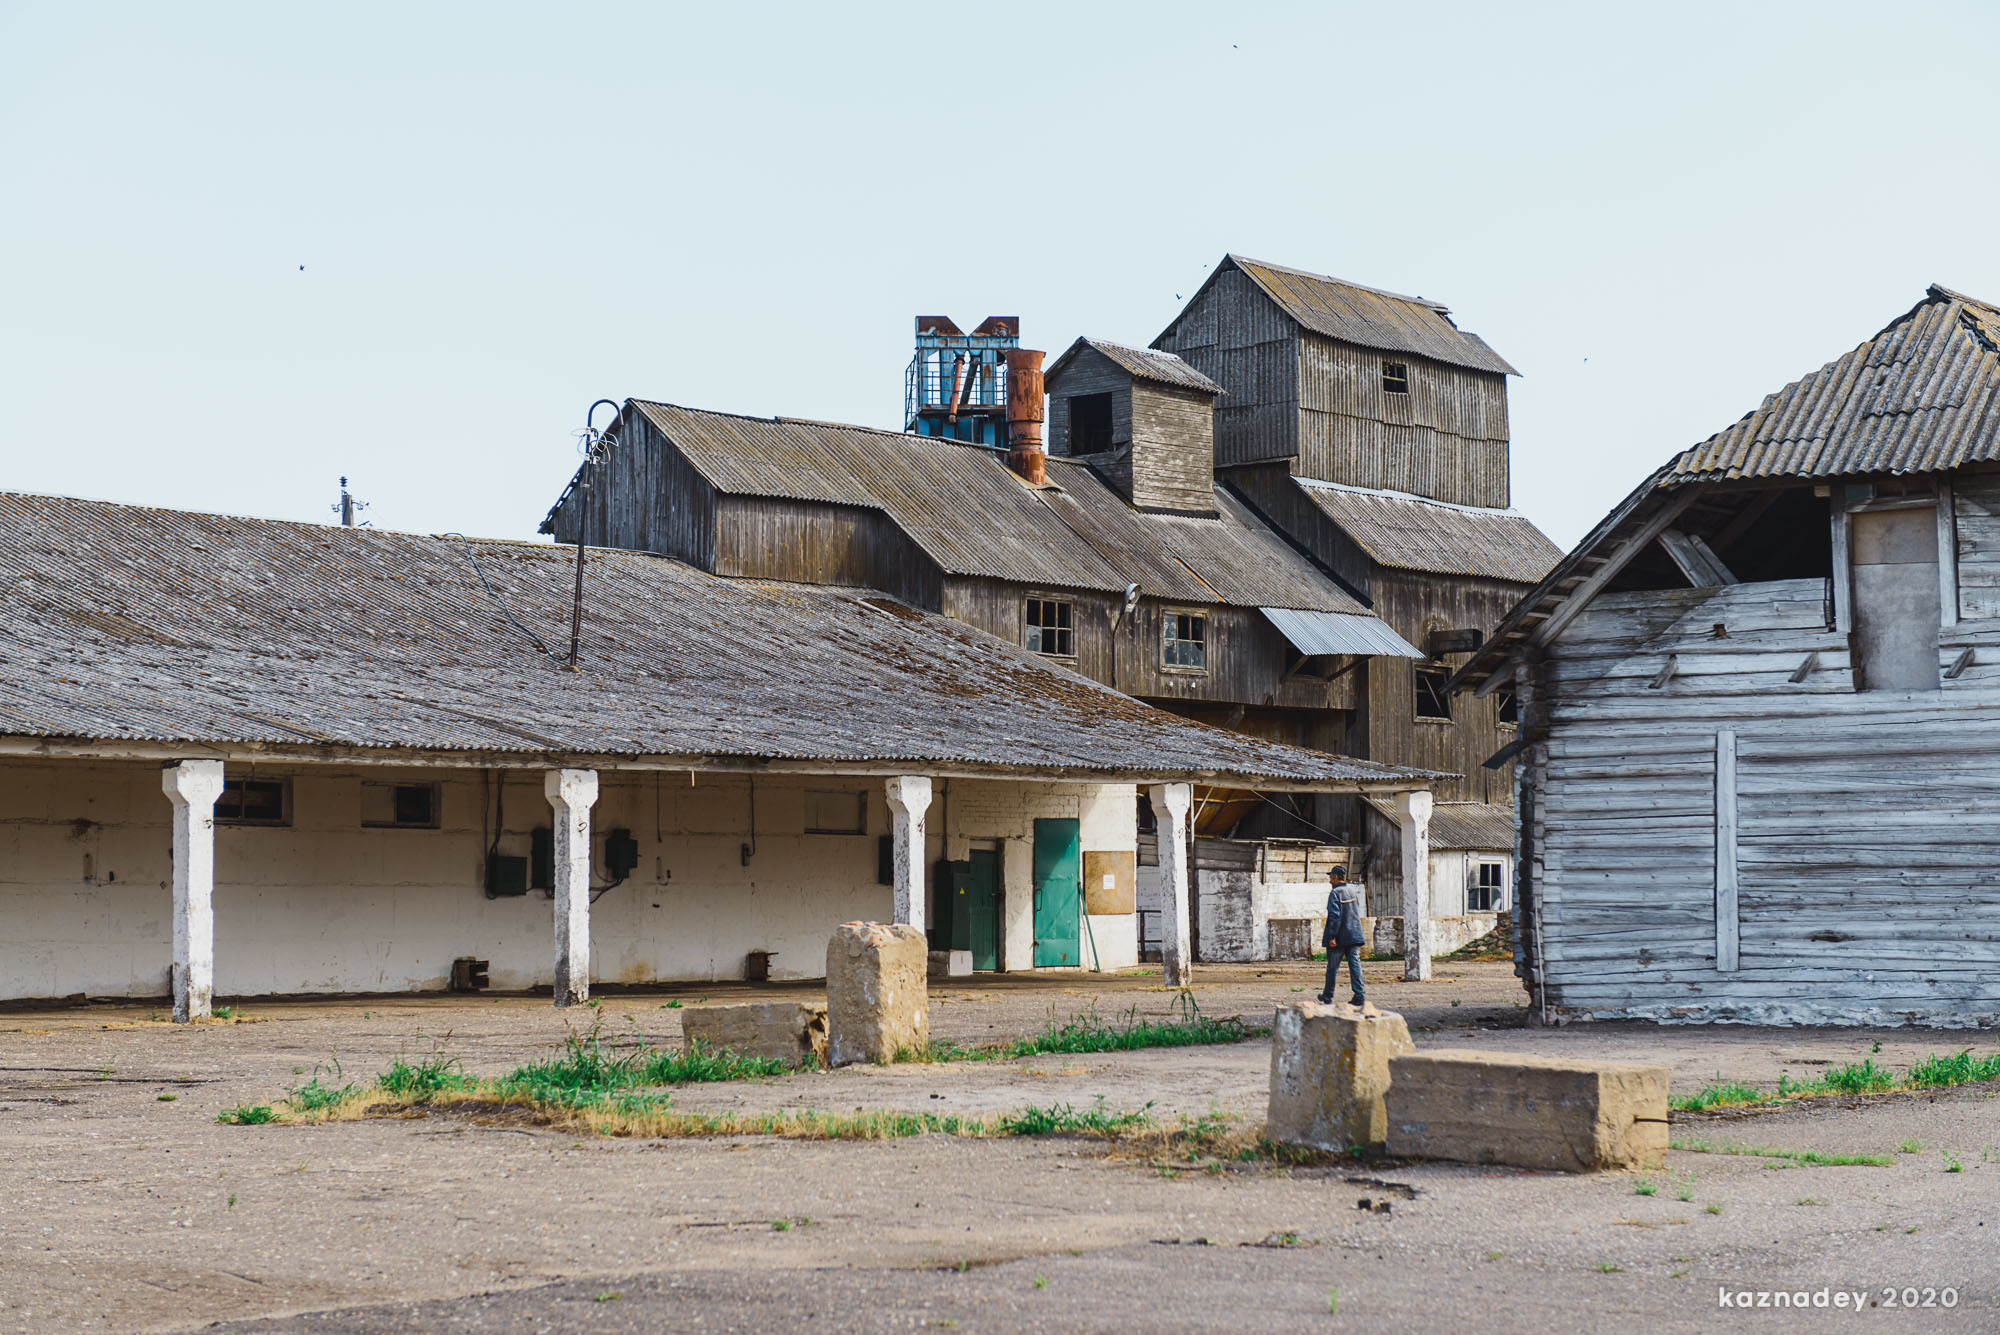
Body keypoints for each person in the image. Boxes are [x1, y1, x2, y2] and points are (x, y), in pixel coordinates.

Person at [1318, 865, 1367, 1007]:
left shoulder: (1335, 893)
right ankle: (1360, 995)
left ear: (1335, 877)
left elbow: (1335, 916)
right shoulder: (1352, 892)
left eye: (1330, 878)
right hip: (1354, 935)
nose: (1329, 881)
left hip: (1340, 937)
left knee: (1332, 968)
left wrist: (1332, 936)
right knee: (1355, 966)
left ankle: (1328, 996)